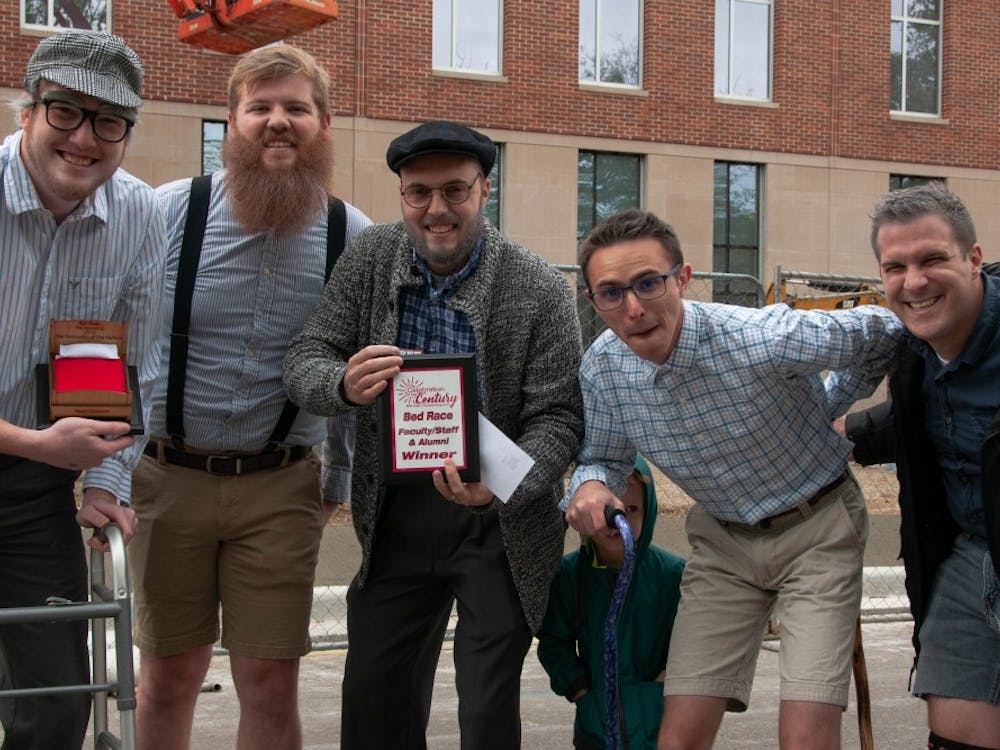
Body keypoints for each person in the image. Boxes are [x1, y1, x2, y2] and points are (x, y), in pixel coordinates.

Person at [282, 119, 584, 749]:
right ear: (401, 196)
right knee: (374, 697)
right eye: (418, 193)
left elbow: (561, 418)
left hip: (496, 521)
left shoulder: (538, 288)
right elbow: (306, 357)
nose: (436, 209)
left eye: (455, 190)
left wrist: (500, 483)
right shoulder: (369, 258)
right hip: (396, 511)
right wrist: (342, 381)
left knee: (486, 708)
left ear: (485, 190)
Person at [563, 209, 903, 750]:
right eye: (611, 292)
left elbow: (885, 329)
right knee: (678, 738)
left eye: (649, 283)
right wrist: (588, 485)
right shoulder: (602, 366)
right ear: (592, 299)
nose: (633, 308)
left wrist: (837, 405)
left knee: (806, 736)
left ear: (683, 277)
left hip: (816, 528)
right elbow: (603, 458)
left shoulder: (764, 336)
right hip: (723, 542)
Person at [129, 45, 370, 750]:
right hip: (166, 478)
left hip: (280, 486)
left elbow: (355, 365)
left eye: (296, 107)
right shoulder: (169, 212)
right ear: (231, 121)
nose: (278, 122)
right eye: (260, 107)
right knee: (169, 675)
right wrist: (106, 469)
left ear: (323, 123)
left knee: (269, 682)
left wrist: (340, 479)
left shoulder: (348, 235)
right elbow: (115, 334)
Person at [0, 30, 166, 749]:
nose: (84, 138)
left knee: (58, 698)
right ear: (26, 112)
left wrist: (105, 481)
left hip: (36, 487)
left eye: (108, 123)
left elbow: (135, 365)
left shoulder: (137, 215)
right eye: (65, 111)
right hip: (36, 445)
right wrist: (38, 443)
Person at [839, 183, 1000, 750]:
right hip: (966, 554)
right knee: (955, 730)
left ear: (973, 258)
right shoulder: (908, 347)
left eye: (933, 259)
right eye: (896, 266)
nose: (914, 282)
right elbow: (906, 421)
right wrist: (830, 437)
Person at [537, 456, 685, 750]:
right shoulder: (570, 576)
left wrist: (665, 684)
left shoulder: (672, 575)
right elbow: (554, 640)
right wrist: (579, 689)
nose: (619, 520)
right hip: (596, 730)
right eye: (610, 509)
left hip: (660, 729)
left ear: (650, 511)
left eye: (631, 509)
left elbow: (691, 641)